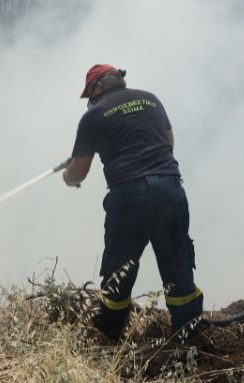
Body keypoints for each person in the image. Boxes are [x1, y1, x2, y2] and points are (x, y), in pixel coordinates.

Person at [62, 64, 203, 341]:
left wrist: (69, 177)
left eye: (89, 93)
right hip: (170, 189)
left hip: (129, 198)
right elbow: (168, 141)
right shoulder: (151, 99)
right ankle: (187, 340)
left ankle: (108, 337)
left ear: (98, 87)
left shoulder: (93, 116)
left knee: (119, 270)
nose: (89, 100)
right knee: (177, 265)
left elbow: (79, 171)